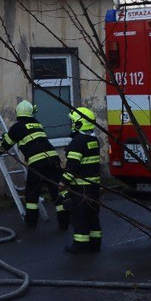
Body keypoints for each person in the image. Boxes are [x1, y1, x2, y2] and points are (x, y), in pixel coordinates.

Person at [0, 101, 67, 229]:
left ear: (18, 113)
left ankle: (31, 222)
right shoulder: (37, 124)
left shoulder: (17, 127)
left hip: (37, 163)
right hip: (53, 160)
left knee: (32, 193)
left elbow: (5, 147)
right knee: (57, 191)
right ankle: (64, 222)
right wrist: (9, 136)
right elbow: (28, 137)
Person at [62, 106, 102, 253]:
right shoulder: (94, 140)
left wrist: (63, 182)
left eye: (73, 122)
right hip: (94, 187)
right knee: (93, 215)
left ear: (79, 124)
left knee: (79, 216)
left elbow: (72, 166)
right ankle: (95, 243)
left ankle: (80, 245)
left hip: (81, 188)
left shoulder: (77, 142)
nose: (72, 124)